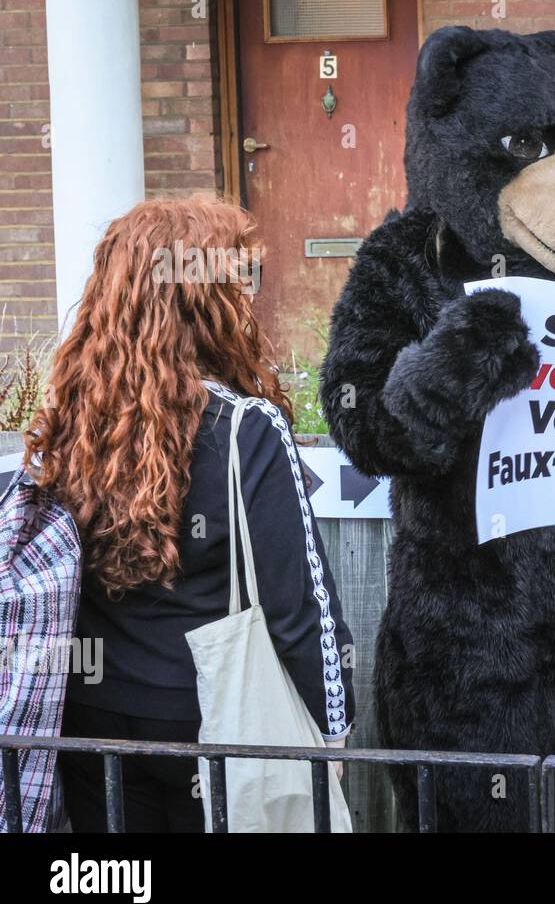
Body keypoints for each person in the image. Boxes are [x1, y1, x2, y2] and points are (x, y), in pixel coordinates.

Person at [25, 197, 355, 832]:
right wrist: (331, 728)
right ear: (207, 300)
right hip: (210, 723)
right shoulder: (243, 427)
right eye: (234, 279)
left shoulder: (71, 420)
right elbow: (298, 605)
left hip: (88, 721)